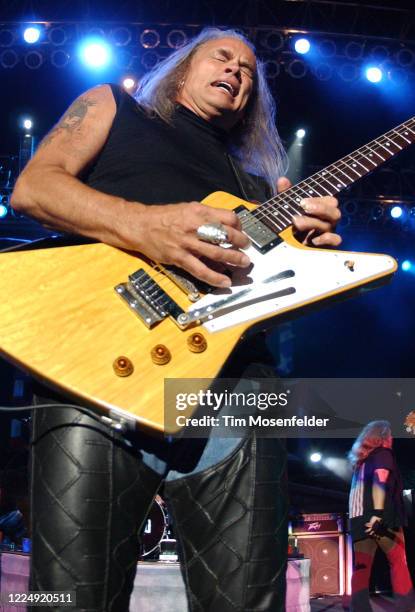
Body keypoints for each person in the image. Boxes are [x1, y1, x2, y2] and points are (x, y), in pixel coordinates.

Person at [11, 28, 341, 611]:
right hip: (95, 364)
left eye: (248, 69)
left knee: (247, 601)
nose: (237, 70)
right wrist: (145, 226)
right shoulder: (113, 106)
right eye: (223, 56)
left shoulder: (260, 188)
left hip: (235, 385)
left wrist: (313, 251)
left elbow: (278, 298)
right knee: (68, 598)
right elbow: (34, 190)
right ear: (182, 69)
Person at [348, 420, 415, 611]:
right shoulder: (383, 455)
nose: (393, 438)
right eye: (391, 434)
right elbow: (380, 480)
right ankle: (407, 607)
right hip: (381, 521)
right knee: (398, 562)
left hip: (359, 520)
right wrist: (377, 514)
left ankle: (359, 608)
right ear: (384, 437)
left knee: (362, 567)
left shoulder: (360, 463)